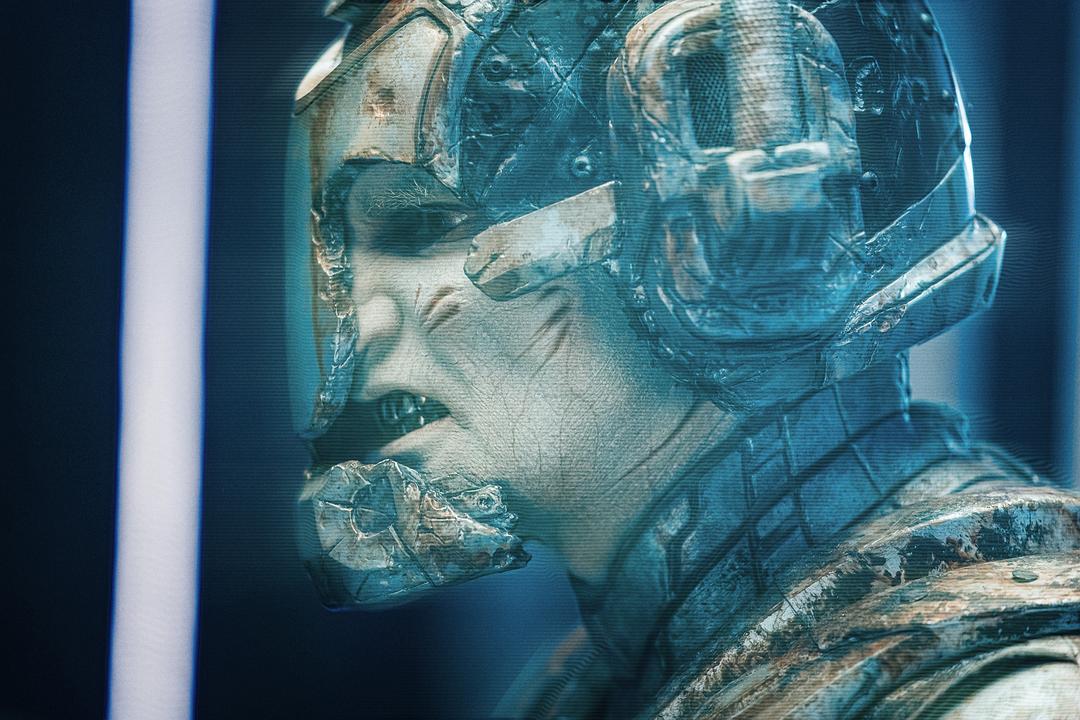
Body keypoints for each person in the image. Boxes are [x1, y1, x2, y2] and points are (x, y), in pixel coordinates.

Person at [285, 0, 1080, 717]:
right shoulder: (602, 687)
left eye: (425, 224)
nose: (361, 323)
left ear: (734, 222)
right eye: (341, 256)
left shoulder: (1010, 700)